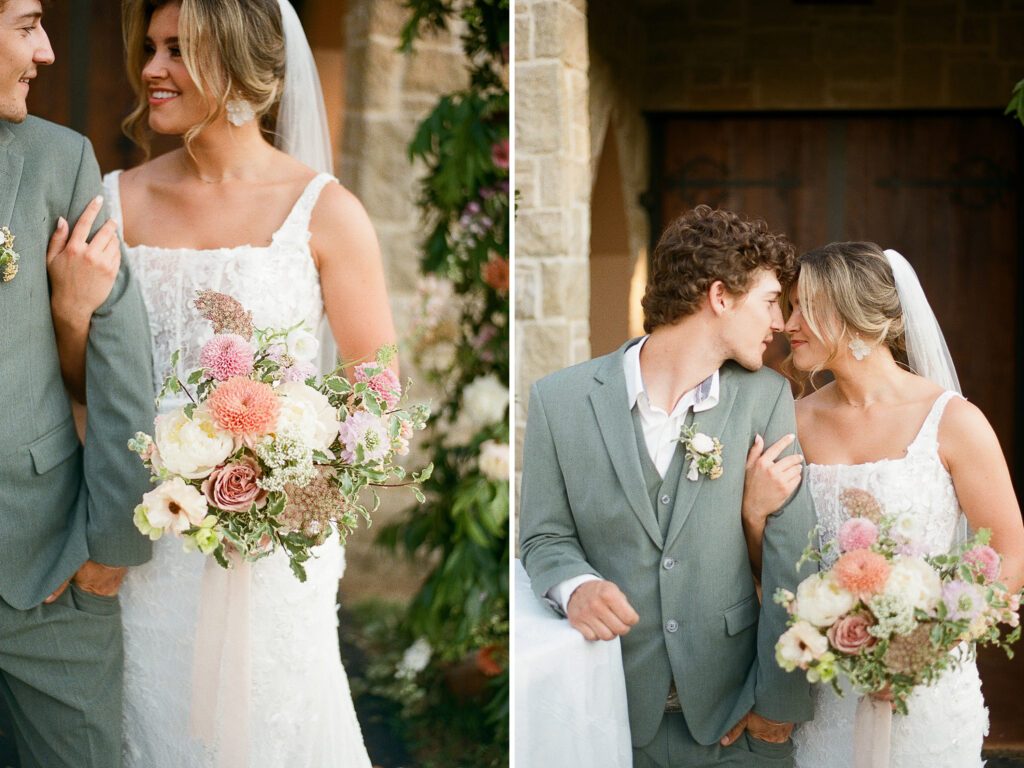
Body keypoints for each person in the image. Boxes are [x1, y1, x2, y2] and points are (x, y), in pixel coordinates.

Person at [48, 0, 395, 764]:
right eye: (151, 48)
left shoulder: (326, 213)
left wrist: (289, 487)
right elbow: (78, 387)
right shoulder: (113, 199)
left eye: (177, 51)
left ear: (238, 65)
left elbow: (377, 395)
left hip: (272, 546)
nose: (150, 70)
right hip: (137, 532)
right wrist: (72, 318)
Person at [519, 204, 817, 767]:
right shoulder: (559, 401)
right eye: (771, 301)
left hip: (737, 719)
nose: (779, 323)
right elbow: (543, 537)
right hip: (608, 715)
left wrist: (780, 702)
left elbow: (792, 554)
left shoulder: (766, 398)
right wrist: (576, 587)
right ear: (720, 296)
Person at [742, 241, 1024, 767]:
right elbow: (772, 570)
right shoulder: (790, 422)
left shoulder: (954, 422)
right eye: (790, 305)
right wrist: (754, 516)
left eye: (806, 306)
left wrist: (924, 647)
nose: (787, 323)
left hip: (929, 685)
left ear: (854, 314)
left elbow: (1007, 557)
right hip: (826, 693)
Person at [0, 1, 155, 766]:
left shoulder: (59, 160)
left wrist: (114, 541)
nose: (49, 51)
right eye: (26, 25)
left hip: (47, 565)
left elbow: (122, 347)